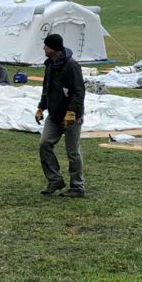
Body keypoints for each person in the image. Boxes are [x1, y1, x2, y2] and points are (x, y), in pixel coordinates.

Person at [35, 33, 85, 198]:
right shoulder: (50, 65)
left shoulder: (71, 65)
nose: (44, 48)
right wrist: (41, 107)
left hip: (71, 117)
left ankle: (77, 187)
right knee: (44, 144)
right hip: (54, 115)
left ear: (53, 48)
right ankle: (55, 180)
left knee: (73, 152)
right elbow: (46, 88)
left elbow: (79, 91)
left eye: (46, 46)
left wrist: (72, 111)